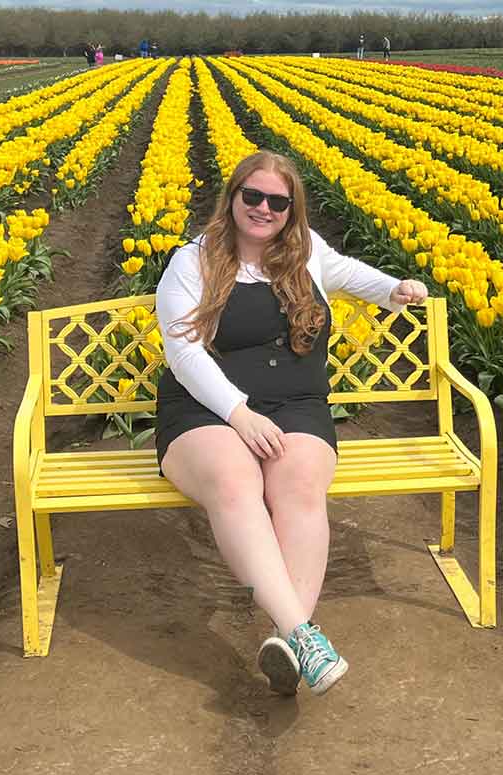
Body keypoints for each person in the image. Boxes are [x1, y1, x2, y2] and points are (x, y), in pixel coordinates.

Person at [153, 151, 428, 697]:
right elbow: (184, 355)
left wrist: (397, 288)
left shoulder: (306, 254)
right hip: (206, 409)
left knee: (300, 487)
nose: (263, 209)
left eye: (277, 202)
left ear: (291, 210)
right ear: (232, 197)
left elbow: (354, 275)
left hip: (297, 404)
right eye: (251, 196)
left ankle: (287, 643)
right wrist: (238, 413)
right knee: (236, 483)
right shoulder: (194, 261)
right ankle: (303, 634)